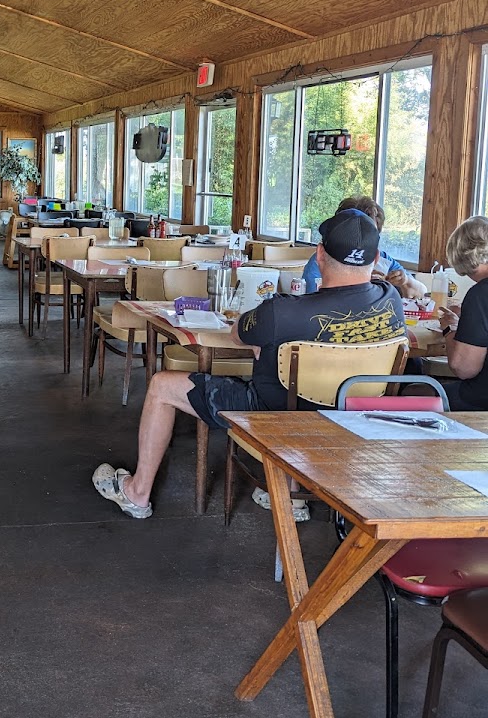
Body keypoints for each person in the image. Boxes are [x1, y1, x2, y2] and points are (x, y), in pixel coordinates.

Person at [93, 209, 407, 519]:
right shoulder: (391, 300)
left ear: (320, 254)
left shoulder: (281, 312)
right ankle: (290, 493)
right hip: (352, 425)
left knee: (162, 385)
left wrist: (264, 340)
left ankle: (137, 493)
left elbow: (237, 333)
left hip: (272, 421)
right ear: (375, 258)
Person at [301, 196, 426, 298]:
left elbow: (422, 292)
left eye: (368, 233)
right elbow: (313, 302)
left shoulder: (385, 261)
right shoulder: (320, 261)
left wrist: (405, 281)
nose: (361, 239)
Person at [436, 215, 488, 409]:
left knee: (413, 392)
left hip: (480, 403)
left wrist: (450, 327)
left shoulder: (480, 295)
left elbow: (464, 368)